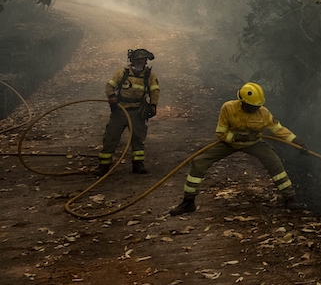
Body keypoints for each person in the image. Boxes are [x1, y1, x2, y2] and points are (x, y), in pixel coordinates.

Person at [169, 82, 306, 215]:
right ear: (242, 102)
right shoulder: (228, 108)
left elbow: (279, 130)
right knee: (199, 162)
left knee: (274, 163)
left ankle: (289, 199)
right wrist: (240, 138)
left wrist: (297, 142)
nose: (255, 109)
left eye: (257, 106)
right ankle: (188, 201)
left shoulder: (263, 113)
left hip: (255, 144)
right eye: (251, 106)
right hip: (229, 143)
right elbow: (221, 133)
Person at [97, 48, 160, 175]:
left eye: (142, 59)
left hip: (138, 111)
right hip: (120, 111)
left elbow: (154, 90)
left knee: (138, 138)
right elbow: (110, 86)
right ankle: (103, 166)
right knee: (111, 137)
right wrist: (111, 96)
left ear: (145, 61)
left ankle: (138, 165)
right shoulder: (122, 73)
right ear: (132, 60)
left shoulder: (149, 75)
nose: (140, 62)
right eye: (137, 59)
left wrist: (153, 105)